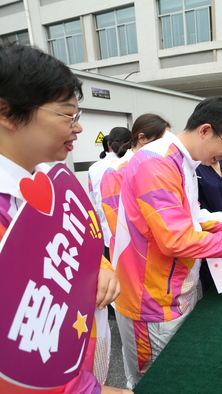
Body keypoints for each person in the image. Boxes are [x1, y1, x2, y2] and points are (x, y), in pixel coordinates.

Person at [0, 43, 128, 394]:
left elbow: (84, 241)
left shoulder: (55, 179)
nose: (79, 129)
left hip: (80, 354)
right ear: (7, 113)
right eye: (67, 114)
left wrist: (102, 267)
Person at [112, 97, 222, 389]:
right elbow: (176, 239)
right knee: (156, 380)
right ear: (206, 130)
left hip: (174, 289)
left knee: (178, 373)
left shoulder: (181, 161)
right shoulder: (156, 163)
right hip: (151, 298)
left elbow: (190, 217)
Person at [101, 114, 170, 251]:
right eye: (164, 140)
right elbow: (116, 223)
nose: (168, 145)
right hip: (136, 252)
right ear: (142, 138)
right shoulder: (116, 172)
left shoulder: (162, 167)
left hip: (163, 247)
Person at [88, 126, 131, 258]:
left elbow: (94, 199)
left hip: (108, 233)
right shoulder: (132, 163)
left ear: (108, 145)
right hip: (132, 235)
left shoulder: (94, 168)